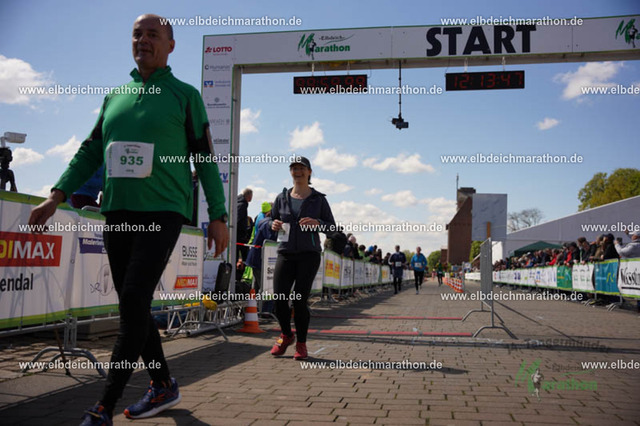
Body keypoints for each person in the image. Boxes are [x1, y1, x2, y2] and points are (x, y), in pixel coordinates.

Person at [28, 14, 229, 426]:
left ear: (171, 46)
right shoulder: (114, 97)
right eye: (137, 34)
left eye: (153, 35)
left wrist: (219, 215)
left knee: (134, 299)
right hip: (117, 211)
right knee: (132, 306)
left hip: (163, 212)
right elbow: (89, 151)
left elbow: (205, 159)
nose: (143, 40)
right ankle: (164, 384)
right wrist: (56, 195)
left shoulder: (185, 96)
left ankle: (104, 406)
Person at [269, 156, 335, 360]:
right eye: (294, 168)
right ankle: (286, 335)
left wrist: (318, 224)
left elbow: (333, 228)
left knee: (299, 301)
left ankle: (301, 344)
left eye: (301, 168)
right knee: (279, 299)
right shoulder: (281, 197)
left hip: (309, 255)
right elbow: (270, 221)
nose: (297, 172)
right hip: (285, 253)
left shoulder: (319, 199)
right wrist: (273, 225)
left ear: (309, 172)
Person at [236, 188, 253, 261]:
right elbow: (238, 219)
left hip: (238, 235)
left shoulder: (238, 202)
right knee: (245, 257)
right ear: (249, 196)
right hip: (240, 236)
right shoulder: (242, 205)